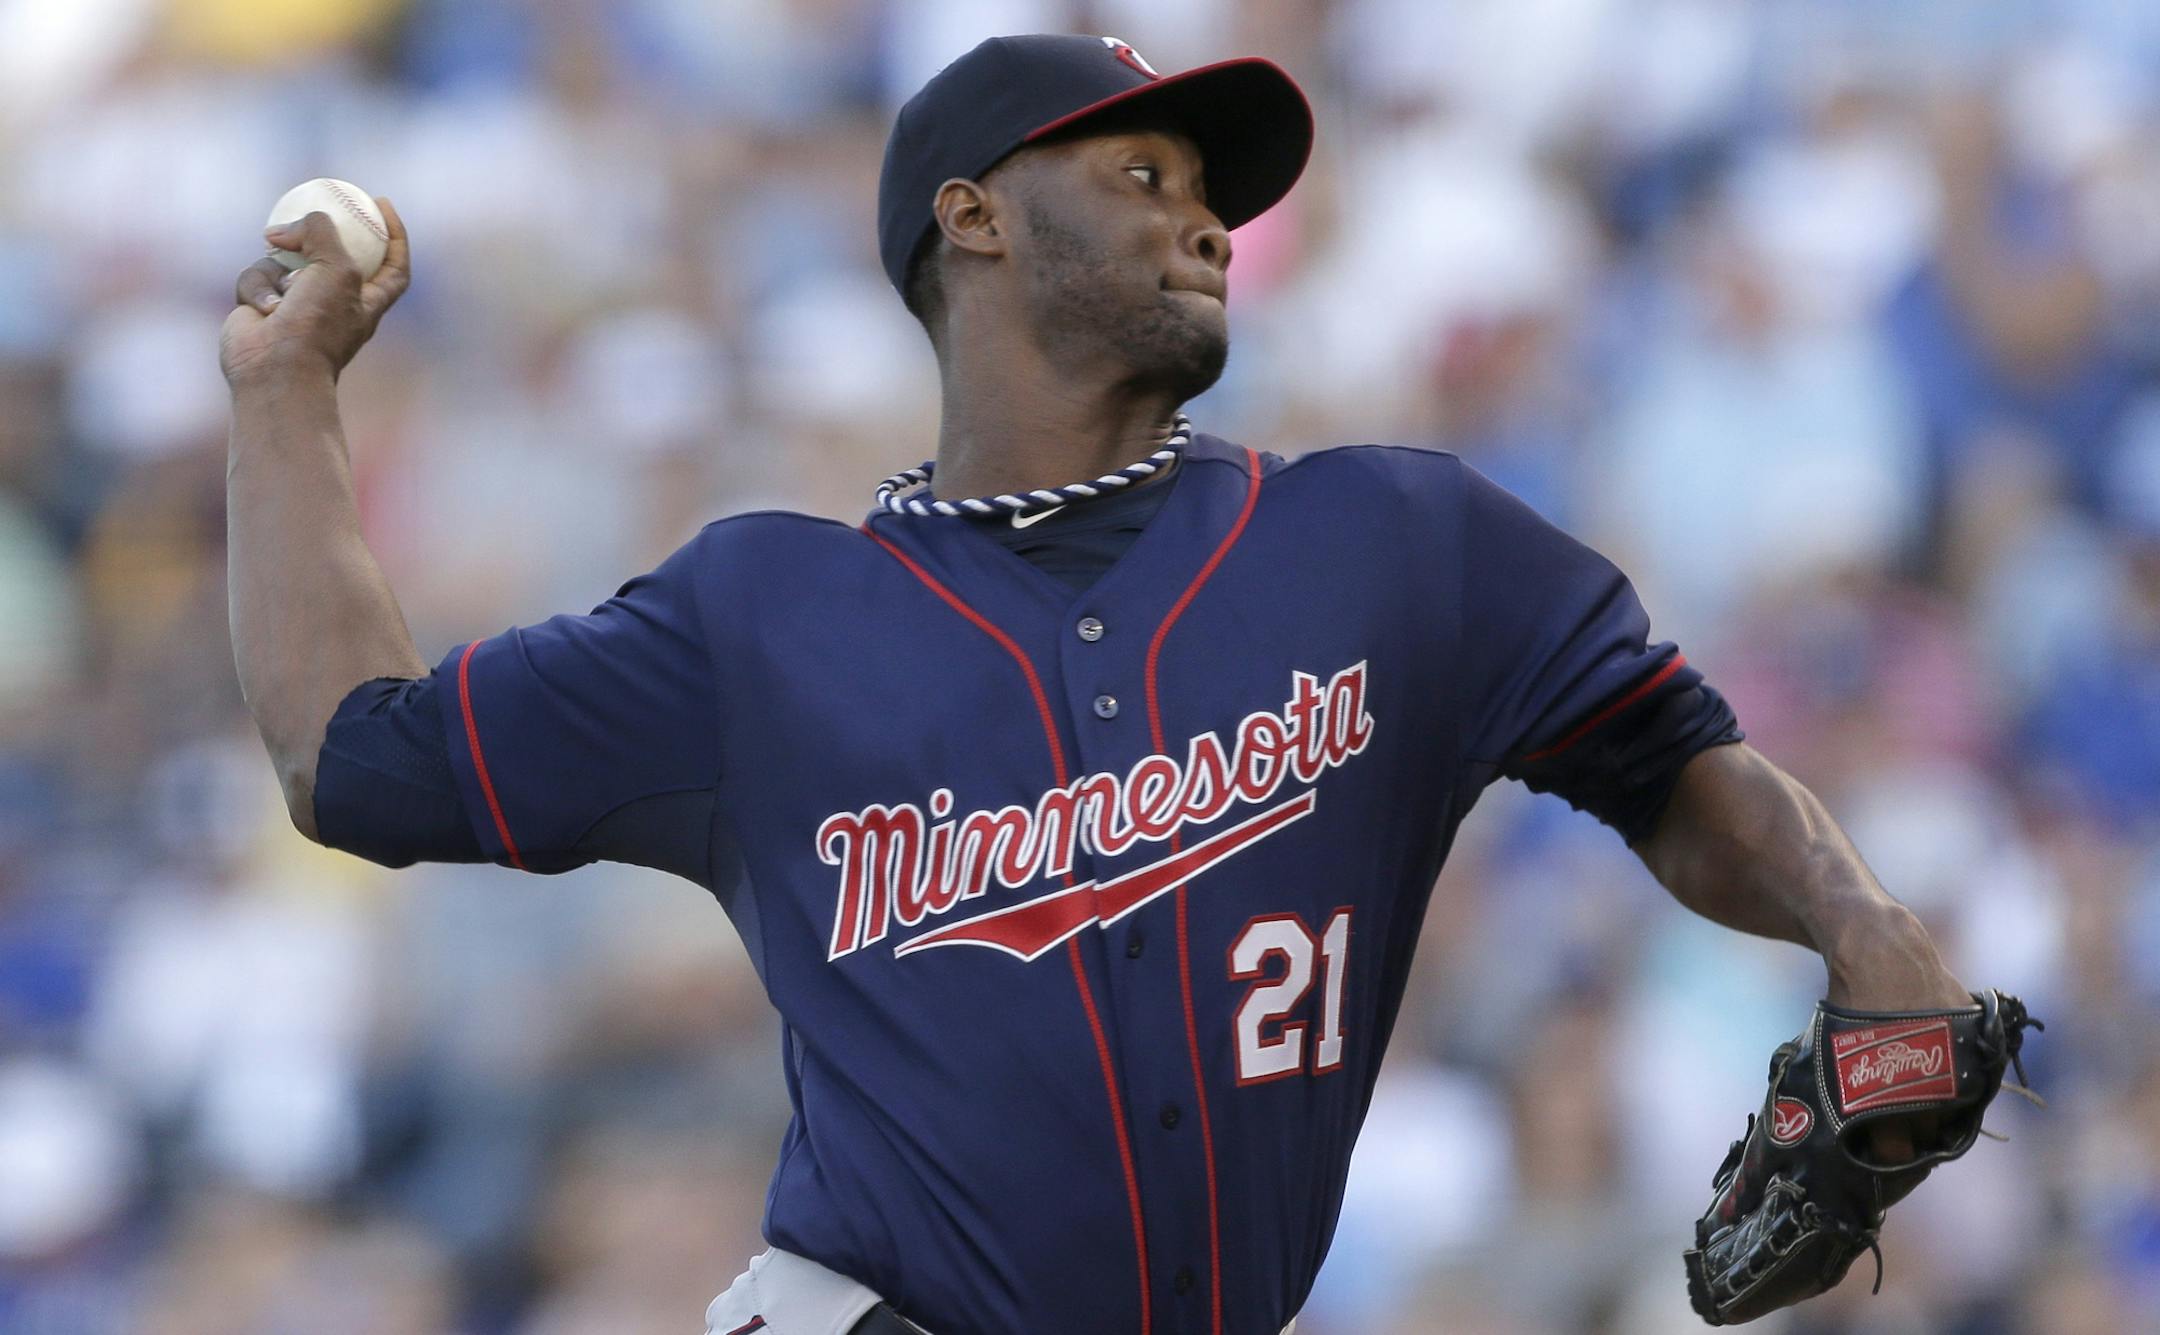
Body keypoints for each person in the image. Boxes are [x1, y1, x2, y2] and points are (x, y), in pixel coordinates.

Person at [221, 33, 1976, 1335]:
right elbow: (352, 759)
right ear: (972, 221)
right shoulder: (760, 614)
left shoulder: (1399, 544)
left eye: (1211, 194)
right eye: (1145, 176)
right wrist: (286, 393)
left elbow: (1671, 757)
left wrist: (1865, 929)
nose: (1205, 220)